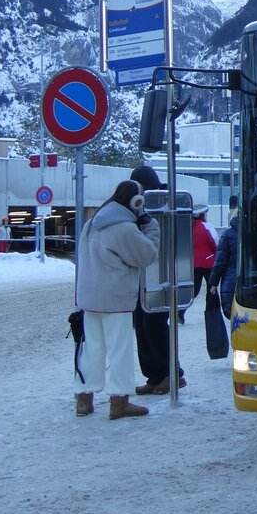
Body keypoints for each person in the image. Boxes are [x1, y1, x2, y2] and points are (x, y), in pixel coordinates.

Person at [74, 179, 159, 419]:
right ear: (135, 201)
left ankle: (83, 399)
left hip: (90, 298)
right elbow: (146, 255)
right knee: (119, 350)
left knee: (92, 349)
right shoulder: (122, 228)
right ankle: (119, 401)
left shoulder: (92, 223)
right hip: (115, 298)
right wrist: (152, 228)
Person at [129, 164, 186, 395]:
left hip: (163, 275)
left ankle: (173, 374)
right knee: (141, 324)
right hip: (143, 276)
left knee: (154, 325)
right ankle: (154, 375)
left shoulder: (166, 203)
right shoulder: (139, 206)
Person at [187, 205, 218, 325]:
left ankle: (180, 310)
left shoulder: (190, 227)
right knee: (211, 288)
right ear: (202, 215)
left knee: (194, 289)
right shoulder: (207, 226)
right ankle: (211, 312)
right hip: (208, 262)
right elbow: (215, 243)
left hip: (194, 263)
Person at [209, 213, 239, 324]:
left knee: (230, 311)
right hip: (250, 277)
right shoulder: (254, 232)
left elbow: (220, 261)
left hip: (230, 277)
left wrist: (214, 283)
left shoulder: (228, 234)